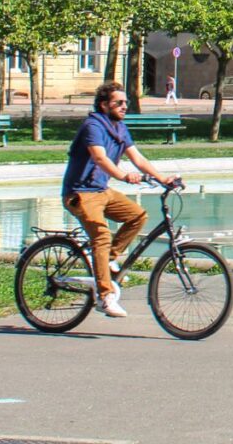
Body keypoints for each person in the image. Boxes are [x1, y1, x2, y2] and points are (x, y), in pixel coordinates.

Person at [63, 81, 177, 319]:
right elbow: (100, 158)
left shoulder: (120, 128)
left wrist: (163, 178)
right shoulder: (93, 126)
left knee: (138, 215)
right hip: (80, 193)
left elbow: (138, 158)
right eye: (119, 103)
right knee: (102, 236)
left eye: (126, 102)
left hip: (101, 190)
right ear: (104, 105)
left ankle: (107, 259)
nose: (125, 106)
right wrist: (124, 176)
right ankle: (105, 297)